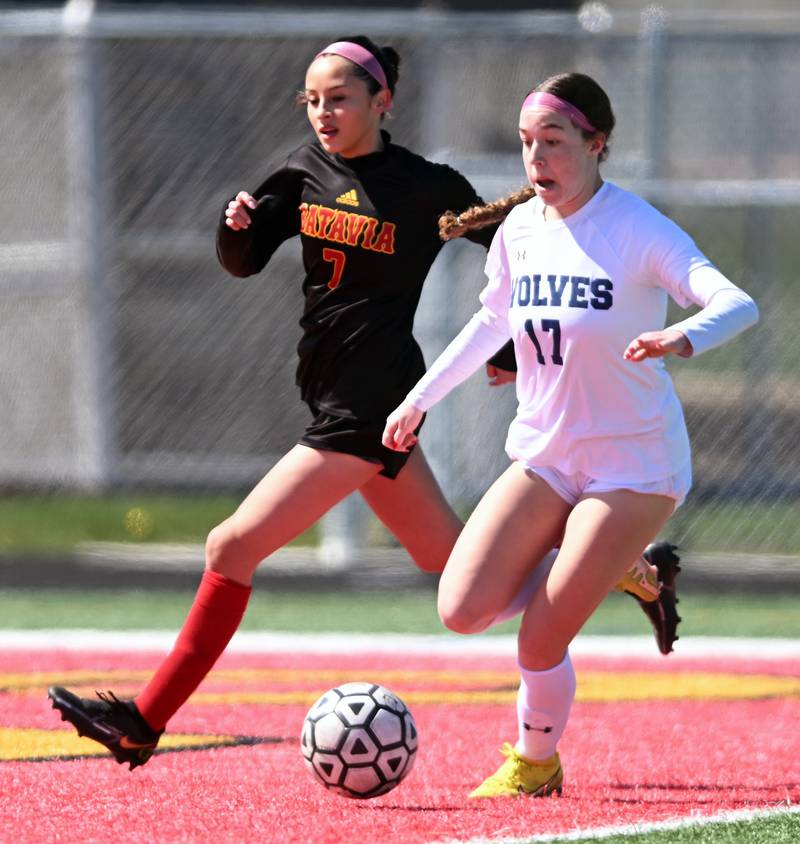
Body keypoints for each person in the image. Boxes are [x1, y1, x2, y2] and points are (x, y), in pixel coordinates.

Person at [48, 43, 674, 771]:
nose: (324, 113)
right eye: (312, 100)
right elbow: (241, 261)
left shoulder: (423, 185)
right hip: (335, 393)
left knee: (231, 547)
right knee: (454, 573)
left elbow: (521, 253)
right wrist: (236, 226)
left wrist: (514, 348)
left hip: (369, 404)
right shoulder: (302, 171)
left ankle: (144, 720)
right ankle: (632, 571)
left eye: (339, 98)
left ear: (383, 103)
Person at [383, 72, 758, 798]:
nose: (536, 158)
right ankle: (616, 565)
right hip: (549, 454)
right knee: (461, 609)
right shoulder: (521, 229)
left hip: (634, 466)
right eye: (527, 143)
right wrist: (420, 398)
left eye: (553, 142)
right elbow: (491, 321)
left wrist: (679, 337)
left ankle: (536, 763)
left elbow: (736, 303)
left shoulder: (636, 228)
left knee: (539, 637)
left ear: (597, 144)